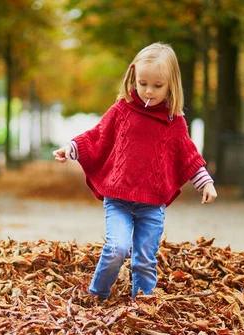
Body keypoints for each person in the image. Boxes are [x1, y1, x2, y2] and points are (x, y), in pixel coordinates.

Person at [53, 42, 217, 301]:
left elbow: (187, 154)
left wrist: (205, 183)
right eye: (143, 83)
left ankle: (143, 303)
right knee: (117, 248)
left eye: (157, 86)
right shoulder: (122, 110)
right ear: (133, 77)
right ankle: (98, 295)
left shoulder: (175, 122)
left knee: (144, 258)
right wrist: (70, 149)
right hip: (118, 198)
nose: (148, 91)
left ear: (171, 84)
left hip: (152, 204)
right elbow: (98, 136)